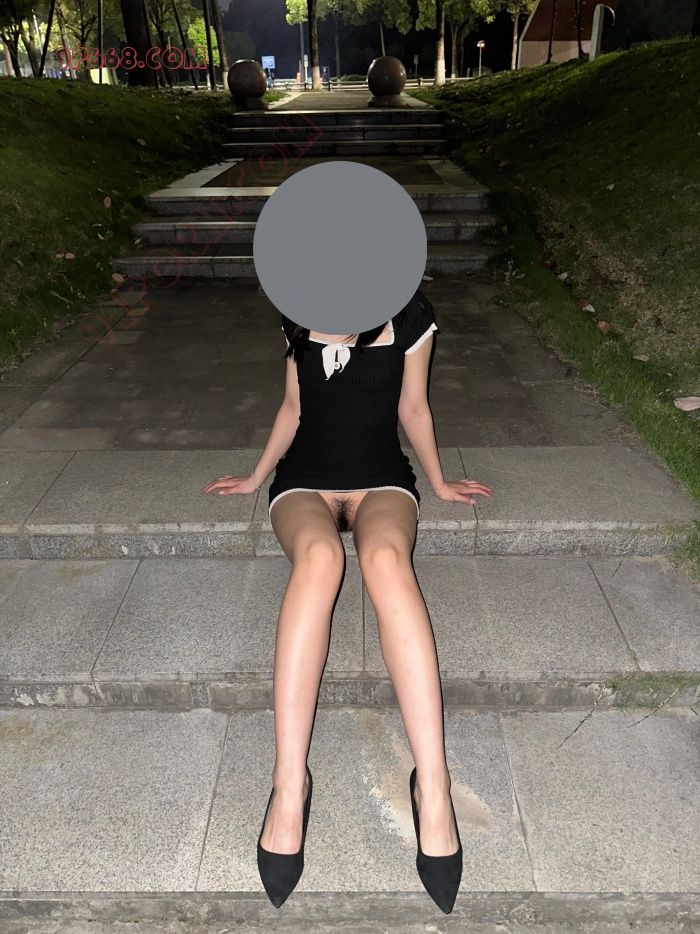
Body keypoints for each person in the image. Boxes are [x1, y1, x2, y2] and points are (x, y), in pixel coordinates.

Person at [202, 288, 492, 913]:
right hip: (304, 481)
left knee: (385, 560)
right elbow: (293, 406)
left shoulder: (410, 315)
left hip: (381, 479)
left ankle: (433, 786)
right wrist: (255, 476)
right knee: (320, 559)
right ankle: (288, 784)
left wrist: (439, 481)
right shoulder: (298, 308)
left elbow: (414, 407)